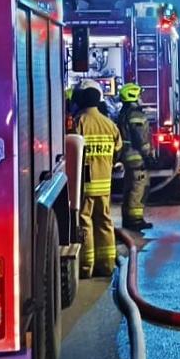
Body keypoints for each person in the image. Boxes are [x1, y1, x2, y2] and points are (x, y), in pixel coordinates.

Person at [71, 81, 120, 277]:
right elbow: (118, 150)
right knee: (105, 221)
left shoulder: (79, 122)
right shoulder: (110, 124)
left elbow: (70, 150)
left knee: (85, 222)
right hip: (105, 183)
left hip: (85, 183)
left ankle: (86, 266)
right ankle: (107, 265)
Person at [115, 81, 153, 230]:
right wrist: (148, 155)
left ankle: (128, 218)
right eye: (139, 95)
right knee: (138, 188)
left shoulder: (124, 113)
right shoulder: (135, 114)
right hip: (136, 157)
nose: (141, 98)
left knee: (130, 186)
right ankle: (135, 220)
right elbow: (140, 137)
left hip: (127, 155)